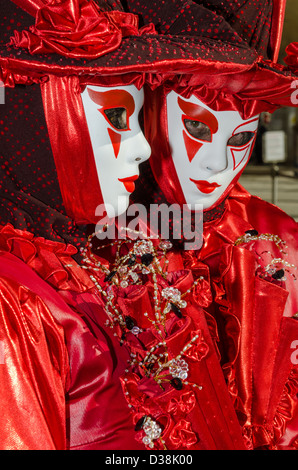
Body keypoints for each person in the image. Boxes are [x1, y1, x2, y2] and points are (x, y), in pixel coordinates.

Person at [0, 0, 298, 451]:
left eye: (239, 136)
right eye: (119, 118)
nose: (217, 163)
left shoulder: (266, 237)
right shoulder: (26, 292)